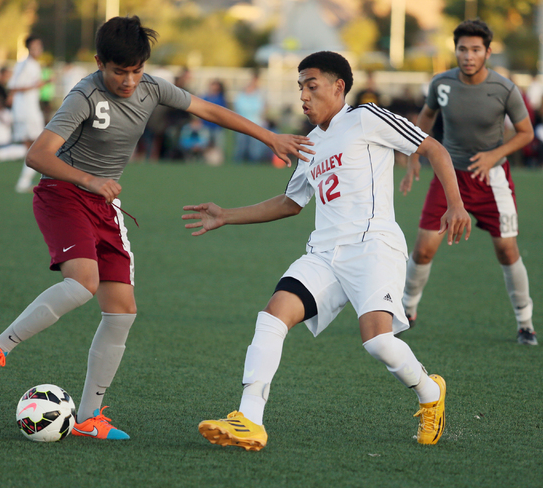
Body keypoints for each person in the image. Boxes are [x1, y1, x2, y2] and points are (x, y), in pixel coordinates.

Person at [0, 16, 313, 441]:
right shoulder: (84, 95)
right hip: (63, 194)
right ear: (100, 63)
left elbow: (207, 109)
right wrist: (90, 180)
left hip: (105, 205)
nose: (129, 80)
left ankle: (90, 417)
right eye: (119, 71)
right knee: (82, 284)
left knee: (122, 312)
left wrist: (268, 137)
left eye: (136, 70)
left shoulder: (153, 86)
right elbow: (38, 155)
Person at [183, 51, 471, 451]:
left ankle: (429, 391)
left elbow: (433, 149)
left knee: (377, 342)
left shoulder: (366, 117)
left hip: (373, 247)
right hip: (324, 254)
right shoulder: (309, 143)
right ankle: (249, 418)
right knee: (272, 317)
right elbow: (290, 202)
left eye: (311, 85)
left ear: (338, 87)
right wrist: (226, 215)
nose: (303, 94)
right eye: (300, 86)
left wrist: (455, 204)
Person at [400, 19, 538, 345]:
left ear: (488, 52)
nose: (468, 55)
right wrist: (413, 157)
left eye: (476, 49)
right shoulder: (441, 83)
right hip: (449, 177)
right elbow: (426, 118)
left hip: (493, 180)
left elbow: (526, 134)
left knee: (506, 250)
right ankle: (406, 311)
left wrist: (494, 155)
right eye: (463, 49)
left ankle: (525, 323)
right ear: (456, 50)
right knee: (422, 250)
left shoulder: (504, 89)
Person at [7, 34, 49, 193]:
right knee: (40, 147)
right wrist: (38, 84)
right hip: (28, 111)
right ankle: (24, 182)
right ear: (29, 48)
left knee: (30, 148)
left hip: (25, 110)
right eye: (35, 46)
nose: (38, 49)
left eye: (39, 46)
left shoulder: (26, 64)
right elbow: (14, 86)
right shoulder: (29, 65)